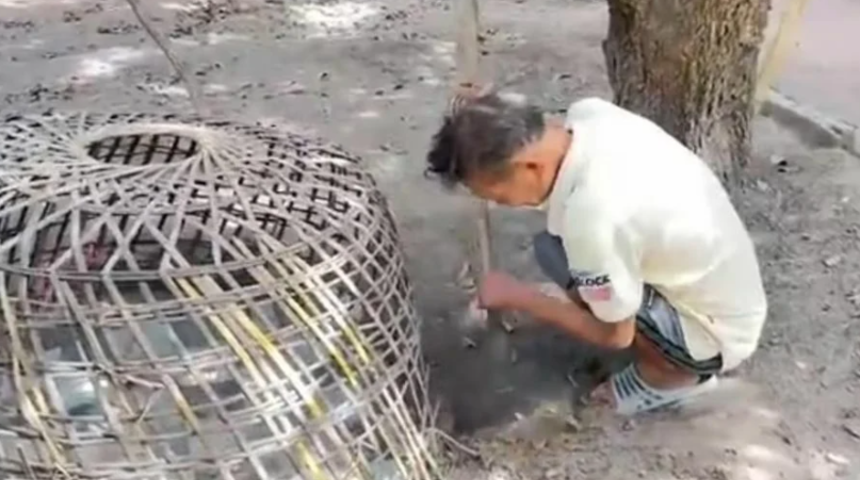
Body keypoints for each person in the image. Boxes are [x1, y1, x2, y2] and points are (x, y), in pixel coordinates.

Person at [425, 89, 768, 415]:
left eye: (498, 196)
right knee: (553, 249)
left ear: (529, 166)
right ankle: (606, 305)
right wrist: (478, 120)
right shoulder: (589, 116)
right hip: (722, 286)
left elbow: (616, 337)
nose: (499, 204)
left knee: (576, 266)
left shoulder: (591, 216)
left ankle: (671, 377)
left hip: (713, 334)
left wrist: (520, 297)